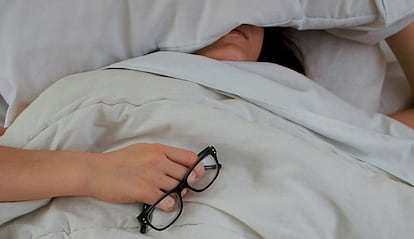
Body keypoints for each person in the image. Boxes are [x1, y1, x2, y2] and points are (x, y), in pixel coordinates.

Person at [0, 22, 413, 209]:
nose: (229, 21)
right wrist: (94, 173)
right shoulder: (103, 91)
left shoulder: (304, 106)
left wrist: (390, 12)